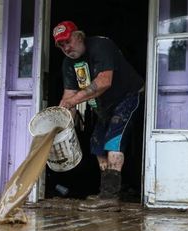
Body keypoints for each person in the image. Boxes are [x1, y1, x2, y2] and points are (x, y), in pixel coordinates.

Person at [53, 20, 144, 211]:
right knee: (97, 145)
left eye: (68, 41)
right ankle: (106, 193)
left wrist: (73, 101)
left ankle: (110, 197)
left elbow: (104, 81)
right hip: (103, 106)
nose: (66, 48)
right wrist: (62, 121)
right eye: (61, 45)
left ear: (79, 36)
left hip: (126, 97)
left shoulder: (101, 45)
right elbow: (68, 96)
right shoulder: (68, 63)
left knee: (114, 142)